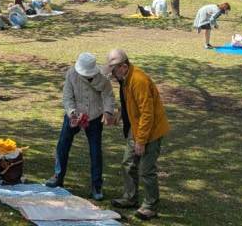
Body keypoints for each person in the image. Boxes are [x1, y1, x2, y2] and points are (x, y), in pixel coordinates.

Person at [106, 49, 168, 221]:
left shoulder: (139, 80)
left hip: (151, 130)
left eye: (114, 70)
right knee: (128, 163)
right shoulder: (126, 79)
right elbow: (129, 102)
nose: (112, 75)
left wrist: (140, 141)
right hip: (136, 127)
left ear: (123, 67)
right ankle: (130, 198)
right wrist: (120, 113)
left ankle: (150, 206)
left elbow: (147, 114)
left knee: (146, 169)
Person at [45, 53, 116, 200]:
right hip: (74, 114)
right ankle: (58, 176)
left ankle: (96, 186)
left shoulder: (102, 77)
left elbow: (109, 95)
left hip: (95, 116)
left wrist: (108, 111)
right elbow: (67, 97)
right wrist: (72, 113)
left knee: (95, 151)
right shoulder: (71, 74)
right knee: (62, 144)